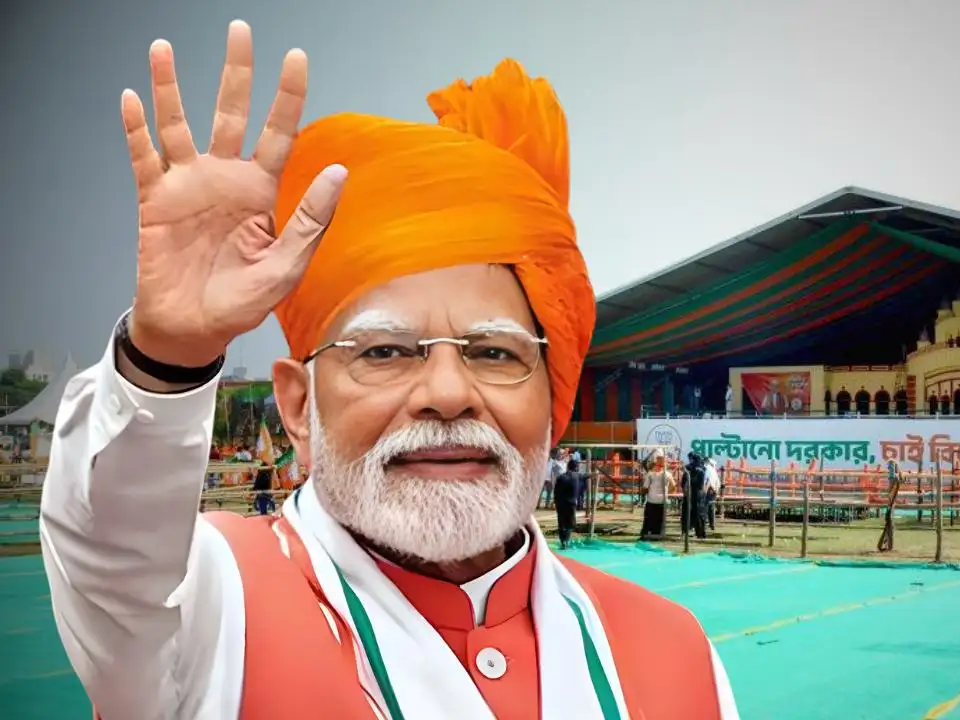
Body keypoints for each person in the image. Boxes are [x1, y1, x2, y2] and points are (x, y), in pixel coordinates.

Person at [39, 21, 737, 720]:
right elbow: (116, 561)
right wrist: (167, 354)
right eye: (385, 352)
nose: (447, 393)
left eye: (494, 352)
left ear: (553, 398)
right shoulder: (208, 610)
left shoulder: (673, 655)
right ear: (297, 405)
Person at [640, 452, 674, 539]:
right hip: (662, 500)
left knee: (648, 519)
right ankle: (657, 535)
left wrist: (643, 493)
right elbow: (673, 486)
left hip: (652, 500)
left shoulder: (650, 474)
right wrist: (667, 493)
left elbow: (645, 488)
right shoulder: (668, 474)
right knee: (659, 520)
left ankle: (645, 534)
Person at [553, 459, 582, 549]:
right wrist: (595, 474)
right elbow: (586, 475)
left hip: (560, 503)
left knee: (561, 523)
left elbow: (556, 491)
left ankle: (563, 542)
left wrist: (555, 501)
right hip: (571, 503)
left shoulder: (560, 477)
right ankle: (566, 540)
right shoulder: (576, 476)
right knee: (570, 523)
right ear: (576, 467)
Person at [684, 452, 708, 539]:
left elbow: (685, 480)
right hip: (701, 493)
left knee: (693, 513)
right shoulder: (703, 468)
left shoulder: (690, 468)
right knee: (701, 514)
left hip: (693, 492)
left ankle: (694, 531)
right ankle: (701, 532)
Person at [703, 457, 720, 532]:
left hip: (709, 490)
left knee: (705, 508)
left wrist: (705, 491)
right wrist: (716, 490)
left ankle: (705, 524)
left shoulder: (707, 469)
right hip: (713, 490)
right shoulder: (713, 470)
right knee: (711, 508)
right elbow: (718, 483)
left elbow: (708, 481)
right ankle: (712, 525)